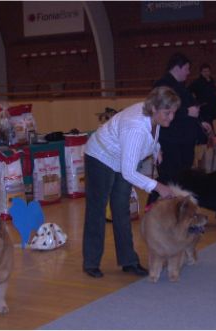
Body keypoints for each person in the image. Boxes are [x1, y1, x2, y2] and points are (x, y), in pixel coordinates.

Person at [82, 86, 180, 278]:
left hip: (121, 158)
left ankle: (128, 261)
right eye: (167, 113)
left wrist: (155, 148)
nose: (171, 118)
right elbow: (129, 173)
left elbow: (151, 138)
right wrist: (158, 186)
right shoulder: (135, 127)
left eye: (173, 113)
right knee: (97, 210)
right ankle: (91, 262)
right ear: (154, 109)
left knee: (121, 209)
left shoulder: (153, 117)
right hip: (100, 156)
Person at [146, 53, 212, 205]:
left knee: (181, 179)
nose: (189, 72)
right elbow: (159, 110)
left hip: (184, 141)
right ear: (177, 67)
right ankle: (151, 206)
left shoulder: (182, 87)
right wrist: (186, 112)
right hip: (171, 141)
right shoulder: (162, 85)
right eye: (187, 68)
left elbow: (191, 107)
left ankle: (178, 212)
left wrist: (200, 122)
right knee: (168, 177)